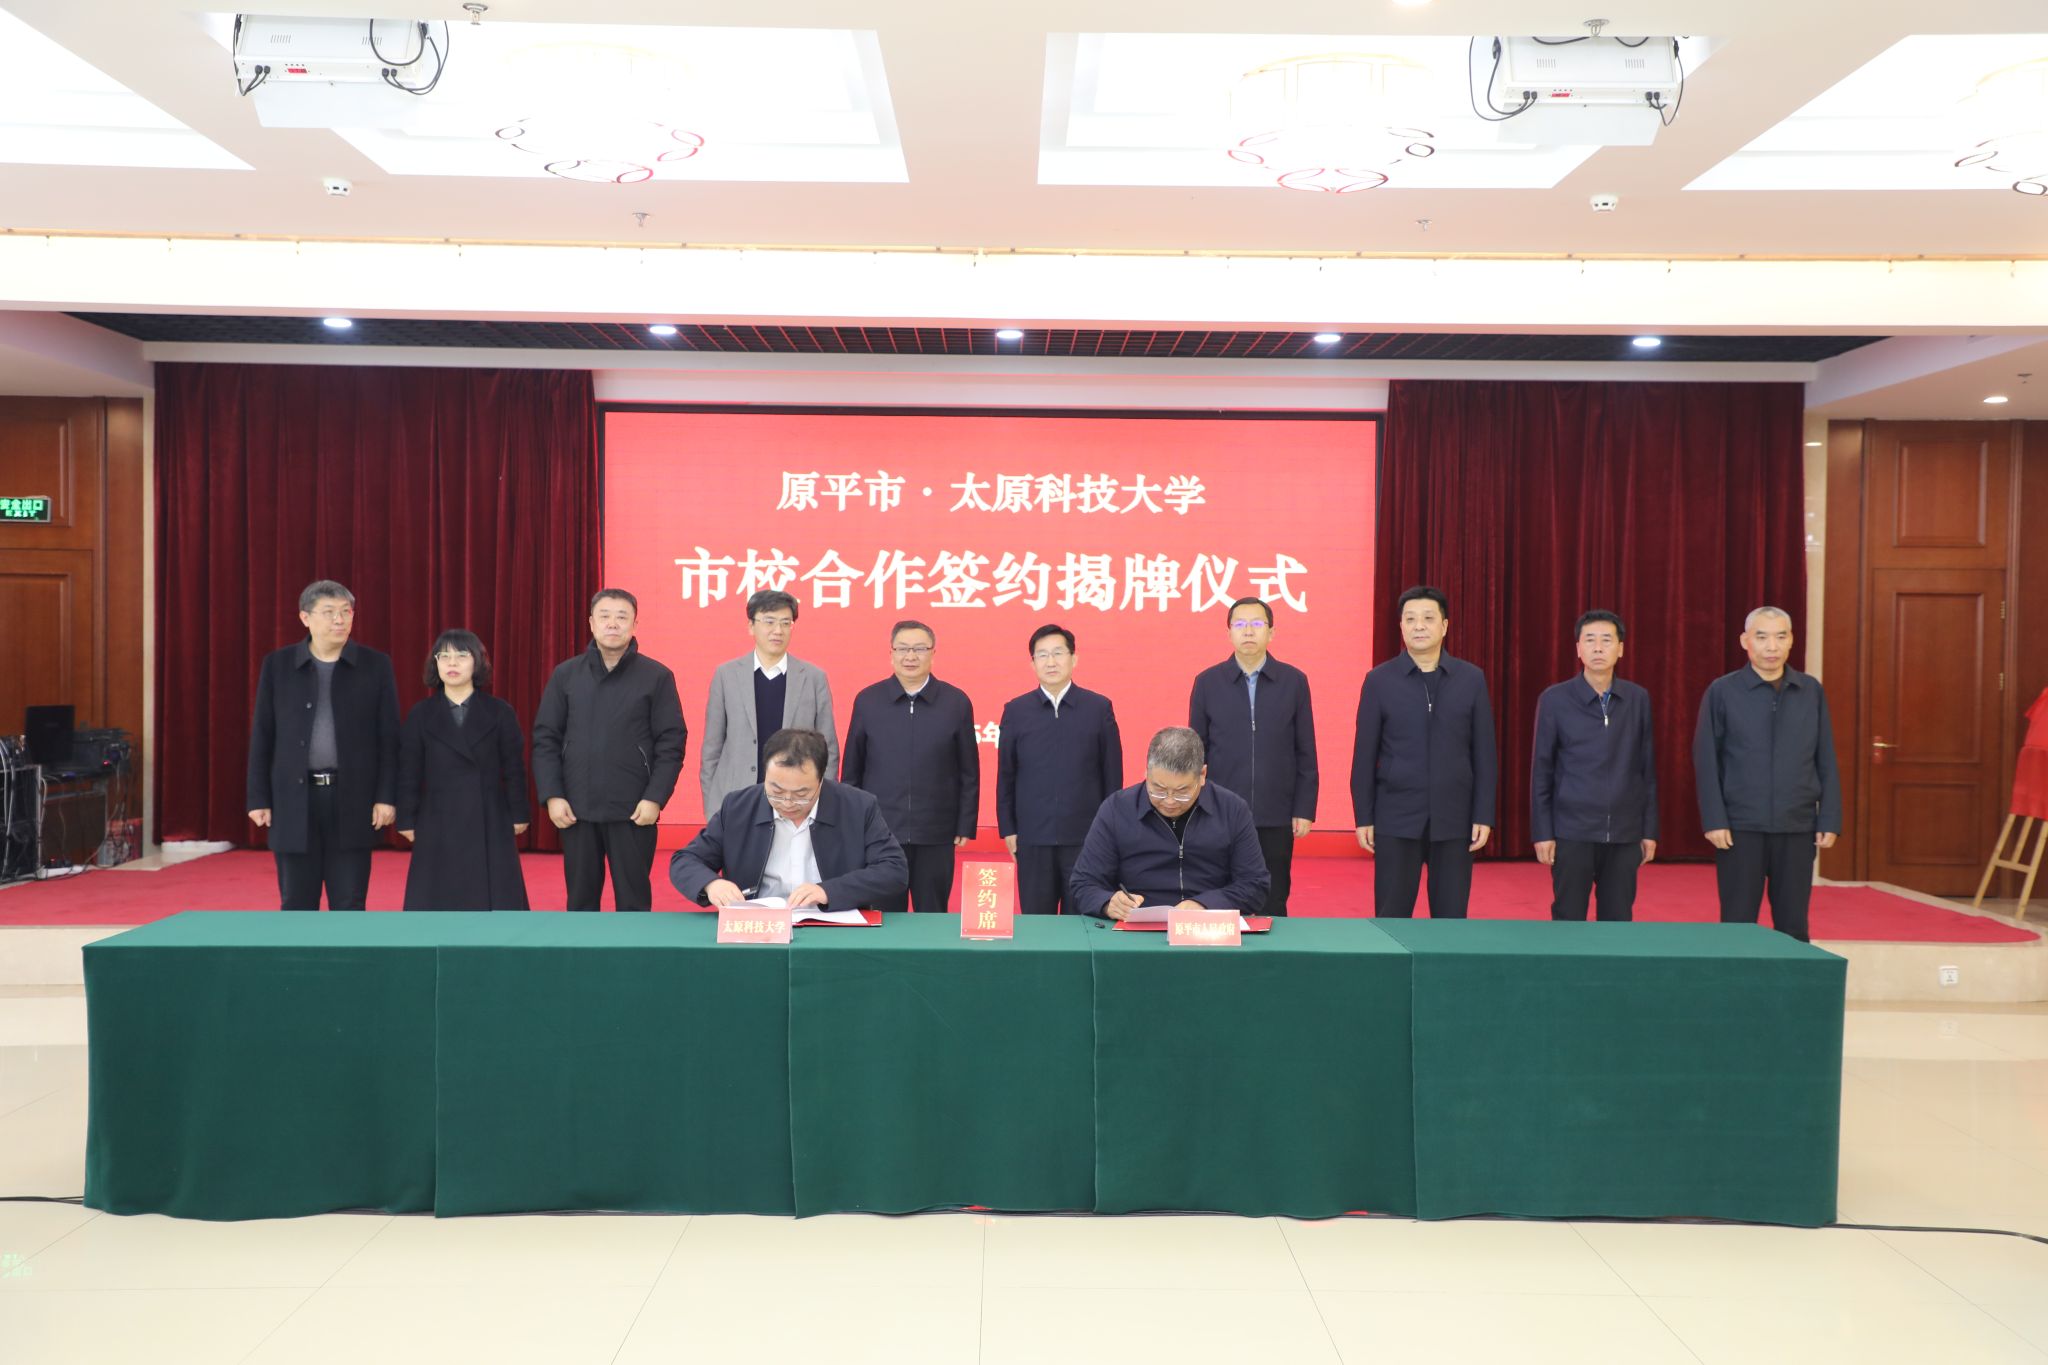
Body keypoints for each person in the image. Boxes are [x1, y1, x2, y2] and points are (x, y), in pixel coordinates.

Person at [246, 579, 400, 910]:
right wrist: (258, 797)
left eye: (346, 612)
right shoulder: (278, 666)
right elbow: (263, 734)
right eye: (329, 612)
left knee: (350, 901)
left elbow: (389, 739)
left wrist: (386, 797)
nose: (339, 620)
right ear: (305, 618)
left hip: (353, 798)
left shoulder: (375, 665)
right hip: (293, 799)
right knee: (296, 902)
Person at [531, 588, 687, 911]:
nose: (612, 624)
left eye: (621, 617)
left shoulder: (656, 676)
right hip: (576, 808)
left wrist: (655, 798)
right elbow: (546, 738)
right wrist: (553, 795)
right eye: (604, 616)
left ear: (635, 624)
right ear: (591, 623)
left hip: (634, 809)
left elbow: (671, 743)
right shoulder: (566, 675)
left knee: (634, 903)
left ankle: (632, 948)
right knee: (580, 903)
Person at [1694, 606, 1842, 942]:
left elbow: (1825, 756)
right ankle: (1736, 977)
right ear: (1745, 641)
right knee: (1737, 924)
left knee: (1793, 925)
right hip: (1739, 827)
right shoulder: (1723, 691)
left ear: (1791, 640)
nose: (1771, 646)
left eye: (1780, 637)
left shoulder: (1810, 690)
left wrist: (1829, 818)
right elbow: (1706, 760)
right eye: (1761, 637)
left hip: (1797, 826)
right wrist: (1714, 819)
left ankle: (1792, 978)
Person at [1350, 585, 1497, 918]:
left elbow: (1484, 754)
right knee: (1392, 915)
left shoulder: (1470, 679)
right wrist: (1364, 816)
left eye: (1428, 618)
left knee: (1450, 917)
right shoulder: (1379, 680)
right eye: (1410, 619)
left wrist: (1483, 814)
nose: (1419, 626)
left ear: (1444, 626)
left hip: (1455, 817)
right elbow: (1364, 756)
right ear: (1401, 626)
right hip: (1396, 816)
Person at [670, 728, 908, 910]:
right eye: (776, 790)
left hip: (831, 921)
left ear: (821, 781)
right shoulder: (738, 807)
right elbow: (686, 860)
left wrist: (829, 891)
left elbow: (893, 869)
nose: (787, 802)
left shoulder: (857, 806)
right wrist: (711, 884)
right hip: (760, 926)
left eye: (801, 794)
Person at [1187, 596, 1317, 914]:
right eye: (1240, 624)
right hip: (1220, 810)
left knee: (1274, 894)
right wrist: (1195, 805)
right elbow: (1196, 752)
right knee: (1219, 893)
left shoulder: (1294, 682)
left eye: (1257, 624)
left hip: (1276, 810)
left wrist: (1304, 808)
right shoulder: (1207, 682)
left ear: (1271, 632)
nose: (1249, 631)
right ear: (1229, 632)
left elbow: (1305, 750)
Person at [839, 620, 978, 913]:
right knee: (883, 915)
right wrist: (852, 823)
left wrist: (965, 823)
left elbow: (968, 771)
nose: (910, 656)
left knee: (933, 913)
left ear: (933, 653)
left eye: (919, 649)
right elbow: (852, 770)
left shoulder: (956, 702)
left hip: (937, 830)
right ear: (891, 653)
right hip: (881, 831)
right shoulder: (868, 701)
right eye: (902, 649)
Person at [1531, 610, 1658, 921]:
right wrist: (1543, 832)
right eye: (1590, 640)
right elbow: (1541, 771)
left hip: (1625, 833)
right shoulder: (1555, 699)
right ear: (1578, 648)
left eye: (1606, 640)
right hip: (1572, 831)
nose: (1598, 648)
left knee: (1617, 920)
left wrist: (1649, 830)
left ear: (1620, 648)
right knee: (1568, 917)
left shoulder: (1637, 699)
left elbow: (1647, 770)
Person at [1070, 727, 1271, 919]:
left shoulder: (1232, 810)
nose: (1169, 801)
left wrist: (1204, 904)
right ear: (1146, 773)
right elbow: (1084, 884)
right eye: (1158, 789)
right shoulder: (1116, 810)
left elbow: (1255, 885)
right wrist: (1108, 902)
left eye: (1182, 792)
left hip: (1207, 926)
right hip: (1136, 926)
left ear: (1202, 775)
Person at [395, 630, 531, 910]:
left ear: (477, 662)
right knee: (437, 900)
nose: (452, 663)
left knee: (493, 902)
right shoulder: (421, 714)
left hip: (489, 815)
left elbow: (514, 768)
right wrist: (406, 817)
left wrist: (519, 813)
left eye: (461, 656)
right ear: (435, 664)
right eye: (444, 656)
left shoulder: (500, 712)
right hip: (436, 816)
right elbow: (409, 770)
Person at [996, 624, 1124, 915]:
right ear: (1032, 663)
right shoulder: (1016, 710)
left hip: (1086, 837)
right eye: (1042, 655)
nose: (1050, 662)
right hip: (1032, 836)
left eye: (1058, 653)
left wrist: (1110, 829)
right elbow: (1006, 775)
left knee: (1081, 919)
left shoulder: (1098, 708)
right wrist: (1009, 828)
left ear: (1073, 658)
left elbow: (1112, 774)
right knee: (1036, 920)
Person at [700, 590, 838, 813]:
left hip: (795, 799)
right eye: (769, 621)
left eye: (785, 623)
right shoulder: (726, 675)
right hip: (738, 797)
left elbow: (828, 748)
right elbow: (711, 750)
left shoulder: (813, 678)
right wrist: (713, 807)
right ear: (751, 626)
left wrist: (823, 804)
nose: (778, 630)